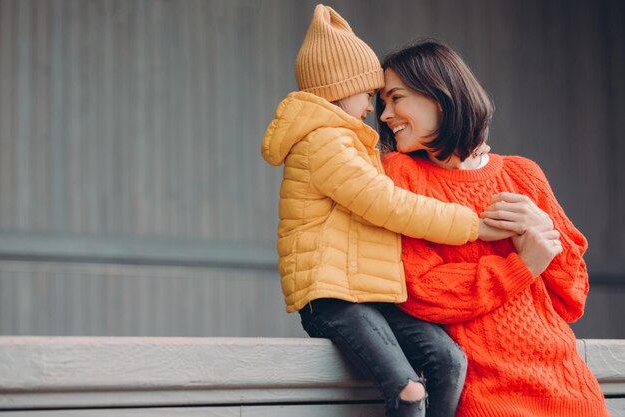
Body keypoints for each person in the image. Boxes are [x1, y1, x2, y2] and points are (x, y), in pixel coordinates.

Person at [260, 5, 515, 417]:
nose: (374, 109)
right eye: (369, 95)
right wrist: (473, 225)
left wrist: (465, 152)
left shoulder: (349, 143)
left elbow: (403, 179)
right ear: (342, 90)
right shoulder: (324, 142)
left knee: (449, 361)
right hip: (334, 299)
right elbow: (388, 203)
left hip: (373, 295)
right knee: (409, 390)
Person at [377, 39, 611, 417]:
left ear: (439, 95)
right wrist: (522, 266)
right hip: (487, 393)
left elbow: (573, 296)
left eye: (396, 98)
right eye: (382, 104)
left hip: (569, 386)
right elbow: (419, 290)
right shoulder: (401, 175)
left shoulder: (522, 173)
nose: (386, 114)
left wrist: (543, 229)